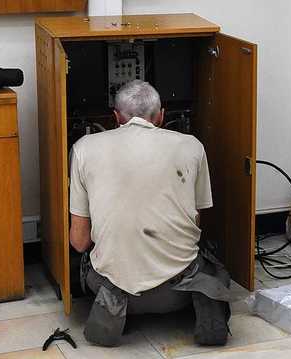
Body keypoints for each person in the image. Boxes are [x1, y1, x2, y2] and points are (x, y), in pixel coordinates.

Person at [69, 80, 231, 347]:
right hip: (178, 291)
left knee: (90, 263)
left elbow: (79, 241)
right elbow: (197, 220)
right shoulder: (192, 145)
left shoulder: (84, 148)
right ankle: (206, 300)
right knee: (215, 268)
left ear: (116, 117)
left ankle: (114, 302)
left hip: (113, 285)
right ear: (161, 116)